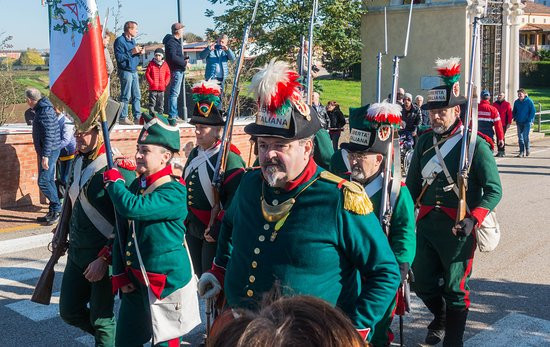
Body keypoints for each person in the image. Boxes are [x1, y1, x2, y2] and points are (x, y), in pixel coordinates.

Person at [198, 60, 400, 342]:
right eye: (264, 145)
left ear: (307, 148)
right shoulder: (248, 184)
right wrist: (219, 270)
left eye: (280, 146)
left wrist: (355, 329)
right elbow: (229, 228)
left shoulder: (340, 198)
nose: (269, 154)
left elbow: (385, 271)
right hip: (241, 333)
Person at [406, 58, 502, 347]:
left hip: (459, 227)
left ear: (456, 110)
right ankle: (441, 317)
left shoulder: (474, 144)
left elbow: (494, 189)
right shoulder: (423, 142)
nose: (435, 117)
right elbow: (411, 187)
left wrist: (474, 218)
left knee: (456, 287)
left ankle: (454, 341)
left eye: (442, 111)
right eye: (432, 111)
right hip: (425, 226)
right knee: (420, 281)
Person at [103, 113, 199, 346]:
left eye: (145, 150)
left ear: (165, 157)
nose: (137, 155)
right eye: (138, 149)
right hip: (136, 281)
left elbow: (133, 208)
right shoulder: (139, 184)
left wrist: (115, 183)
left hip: (165, 286)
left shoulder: (173, 191)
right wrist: (120, 273)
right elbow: (122, 232)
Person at [331, 102, 416, 347]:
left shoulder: (396, 192)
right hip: (345, 273)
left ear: (379, 159)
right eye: (352, 155)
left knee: (375, 333)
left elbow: (403, 233)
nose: (354, 161)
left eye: (361, 156)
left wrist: (400, 264)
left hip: (378, 275)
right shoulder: (339, 185)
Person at [59, 119, 135, 346]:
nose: (78, 138)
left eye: (84, 133)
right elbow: (72, 201)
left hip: (102, 255)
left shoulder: (117, 168)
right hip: (77, 251)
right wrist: (62, 229)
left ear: (100, 133)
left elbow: (127, 222)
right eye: (76, 133)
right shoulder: (78, 161)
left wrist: (105, 258)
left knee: (101, 320)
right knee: (69, 310)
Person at [184, 80, 245, 277]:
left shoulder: (230, 158)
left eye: (203, 127)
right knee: (199, 274)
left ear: (217, 129)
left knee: (213, 277)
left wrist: (218, 224)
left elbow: (234, 199)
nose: (197, 131)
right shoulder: (195, 153)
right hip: (193, 225)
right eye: (197, 126)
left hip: (215, 229)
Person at [207, 295, 366, 347]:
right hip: (248, 332)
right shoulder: (243, 214)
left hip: (315, 334)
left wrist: (348, 330)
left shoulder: (342, 215)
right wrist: (218, 271)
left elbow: (384, 271)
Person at [27, 88, 61, 225]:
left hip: (50, 151)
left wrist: (45, 155)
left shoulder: (45, 111)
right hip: (49, 151)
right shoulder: (43, 109)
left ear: (29, 100)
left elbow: (49, 135)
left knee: (43, 181)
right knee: (49, 181)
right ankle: (53, 211)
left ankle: (58, 208)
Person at [114, 21, 143, 125]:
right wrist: (132, 52)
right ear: (129, 30)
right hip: (125, 71)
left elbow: (132, 56)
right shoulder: (119, 41)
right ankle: (123, 117)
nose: (137, 31)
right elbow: (119, 58)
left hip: (134, 70)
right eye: (135, 29)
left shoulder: (133, 41)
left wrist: (139, 53)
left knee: (137, 95)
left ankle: (137, 117)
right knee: (126, 95)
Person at [163, 22, 189, 121]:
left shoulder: (174, 41)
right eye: (182, 29)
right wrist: (184, 63)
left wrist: (184, 58)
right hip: (176, 70)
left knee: (174, 93)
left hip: (178, 69)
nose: (183, 31)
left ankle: (174, 114)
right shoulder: (172, 42)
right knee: (174, 93)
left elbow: (175, 55)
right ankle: (173, 115)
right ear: (177, 31)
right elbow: (172, 57)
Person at [55, 108, 76, 199]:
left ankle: (69, 199)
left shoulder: (66, 122)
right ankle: (63, 201)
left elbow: (66, 140)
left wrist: (54, 148)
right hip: (61, 154)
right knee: (61, 179)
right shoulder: (54, 120)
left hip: (69, 153)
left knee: (66, 178)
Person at [145, 48, 171, 116]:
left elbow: (168, 74)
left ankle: (160, 115)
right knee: (152, 102)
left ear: (162, 56)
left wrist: (165, 83)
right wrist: (151, 82)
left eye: (159, 55)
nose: (157, 57)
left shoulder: (165, 64)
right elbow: (147, 74)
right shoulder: (151, 64)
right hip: (153, 87)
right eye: (156, 55)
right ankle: (151, 114)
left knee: (161, 103)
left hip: (162, 88)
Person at [512, 88, 536, 157]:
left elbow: (533, 111)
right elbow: (514, 111)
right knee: (520, 137)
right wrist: (513, 117)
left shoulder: (529, 101)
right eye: (518, 94)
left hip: (527, 122)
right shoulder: (516, 102)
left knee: (525, 136)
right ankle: (521, 152)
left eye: (521, 94)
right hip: (519, 121)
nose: (519, 95)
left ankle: (527, 149)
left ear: (524, 94)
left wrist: (530, 120)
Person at [492, 92, 513, 157]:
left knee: (501, 136)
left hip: (503, 123)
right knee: (498, 136)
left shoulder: (507, 104)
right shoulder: (495, 104)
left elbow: (509, 114)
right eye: (498, 95)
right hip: (496, 123)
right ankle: (500, 150)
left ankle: (502, 150)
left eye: (500, 95)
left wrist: (509, 123)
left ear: (504, 96)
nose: (499, 96)